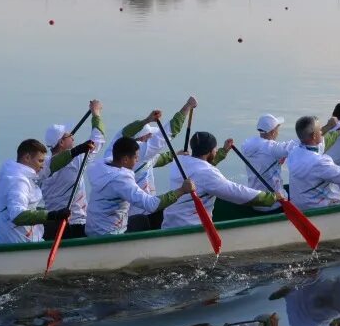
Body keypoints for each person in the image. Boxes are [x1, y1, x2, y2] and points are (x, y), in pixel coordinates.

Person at [110, 97, 197, 230]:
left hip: (141, 211)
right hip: (139, 216)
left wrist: (174, 155)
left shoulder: (120, 149)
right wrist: (187, 107)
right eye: (149, 136)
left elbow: (155, 160)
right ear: (141, 138)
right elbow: (170, 132)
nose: (151, 138)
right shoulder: (141, 151)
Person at [161, 132, 278, 229]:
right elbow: (236, 192)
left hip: (169, 224)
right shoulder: (206, 173)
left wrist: (223, 151)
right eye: (215, 149)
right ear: (210, 152)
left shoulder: (179, 162)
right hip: (192, 227)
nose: (216, 151)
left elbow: (201, 169)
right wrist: (270, 198)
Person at [85, 137, 194, 237]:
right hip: (109, 234)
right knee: (152, 217)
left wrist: (174, 155)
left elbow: (152, 160)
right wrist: (182, 190)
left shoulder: (103, 164)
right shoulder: (120, 180)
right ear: (125, 160)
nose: (137, 160)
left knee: (141, 219)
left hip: (92, 229)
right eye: (136, 157)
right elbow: (151, 205)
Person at [0, 138, 94, 244]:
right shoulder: (19, 181)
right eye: (40, 161)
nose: (42, 165)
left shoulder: (19, 171)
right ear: (27, 158)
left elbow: (50, 165)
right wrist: (52, 215)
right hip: (17, 244)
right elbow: (18, 215)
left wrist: (75, 151)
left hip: (23, 240)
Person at [37, 99, 106, 240]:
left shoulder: (42, 165)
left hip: (52, 222)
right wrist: (96, 114)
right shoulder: (78, 159)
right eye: (69, 135)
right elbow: (98, 139)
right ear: (61, 142)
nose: (73, 137)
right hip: (74, 223)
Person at [239, 113, 299, 210]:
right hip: (274, 204)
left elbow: (264, 159)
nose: (278, 132)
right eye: (277, 129)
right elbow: (297, 144)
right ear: (273, 132)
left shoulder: (247, 145)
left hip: (256, 200)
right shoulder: (272, 148)